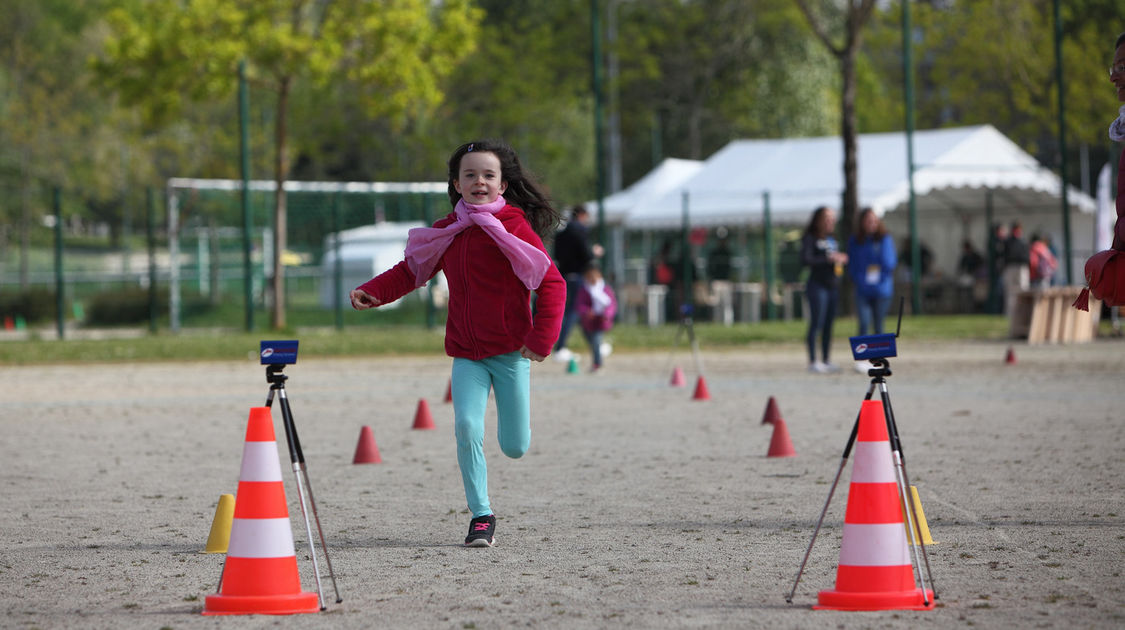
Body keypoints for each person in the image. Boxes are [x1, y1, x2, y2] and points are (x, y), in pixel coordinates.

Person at [350, 140, 565, 548]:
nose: (479, 181)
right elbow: (410, 271)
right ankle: (482, 515)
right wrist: (373, 291)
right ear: (456, 182)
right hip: (467, 354)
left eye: (488, 175)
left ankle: (510, 450)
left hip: (511, 352)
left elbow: (552, 283)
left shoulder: (514, 228)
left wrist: (542, 338)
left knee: (515, 446)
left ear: (502, 186)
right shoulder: (448, 231)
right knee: (466, 426)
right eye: (470, 174)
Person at [552, 205, 603, 362]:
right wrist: (594, 252)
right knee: (575, 311)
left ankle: (595, 346)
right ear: (581, 215)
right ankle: (560, 346)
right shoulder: (580, 232)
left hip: (565, 275)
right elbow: (586, 255)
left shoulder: (561, 235)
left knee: (577, 312)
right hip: (580, 276)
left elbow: (556, 255)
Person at [801, 206, 847, 373]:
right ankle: (813, 360)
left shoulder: (832, 238)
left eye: (832, 218)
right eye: (827, 218)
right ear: (818, 220)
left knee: (829, 324)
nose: (830, 221)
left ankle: (826, 359)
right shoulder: (810, 238)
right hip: (817, 285)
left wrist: (840, 259)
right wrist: (827, 259)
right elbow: (806, 260)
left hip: (832, 286)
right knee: (817, 322)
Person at [846, 207, 897, 337]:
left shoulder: (884, 239)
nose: (871, 224)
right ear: (862, 222)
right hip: (863, 290)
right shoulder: (855, 241)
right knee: (863, 323)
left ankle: (878, 357)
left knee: (878, 325)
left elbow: (889, 263)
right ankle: (863, 355)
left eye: (874, 221)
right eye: (868, 221)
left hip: (881, 289)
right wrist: (859, 280)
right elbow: (852, 264)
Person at [576, 264, 617, 372]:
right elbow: (580, 304)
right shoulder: (584, 290)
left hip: (600, 321)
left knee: (595, 341)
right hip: (588, 322)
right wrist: (586, 312)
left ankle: (597, 363)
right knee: (591, 342)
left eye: (595, 275)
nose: (592, 278)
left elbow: (611, 304)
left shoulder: (605, 289)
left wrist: (607, 315)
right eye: (589, 276)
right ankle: (599, 350)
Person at [1002, 221, 1030, 315]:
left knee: (1023, 289)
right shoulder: (1008, 241)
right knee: (1010, 291)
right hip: (1010, 267)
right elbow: (1005, 255)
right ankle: (1010, 313)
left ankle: (1023, 312)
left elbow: (1027, 256)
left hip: (1022, 267)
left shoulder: (1023, 241)